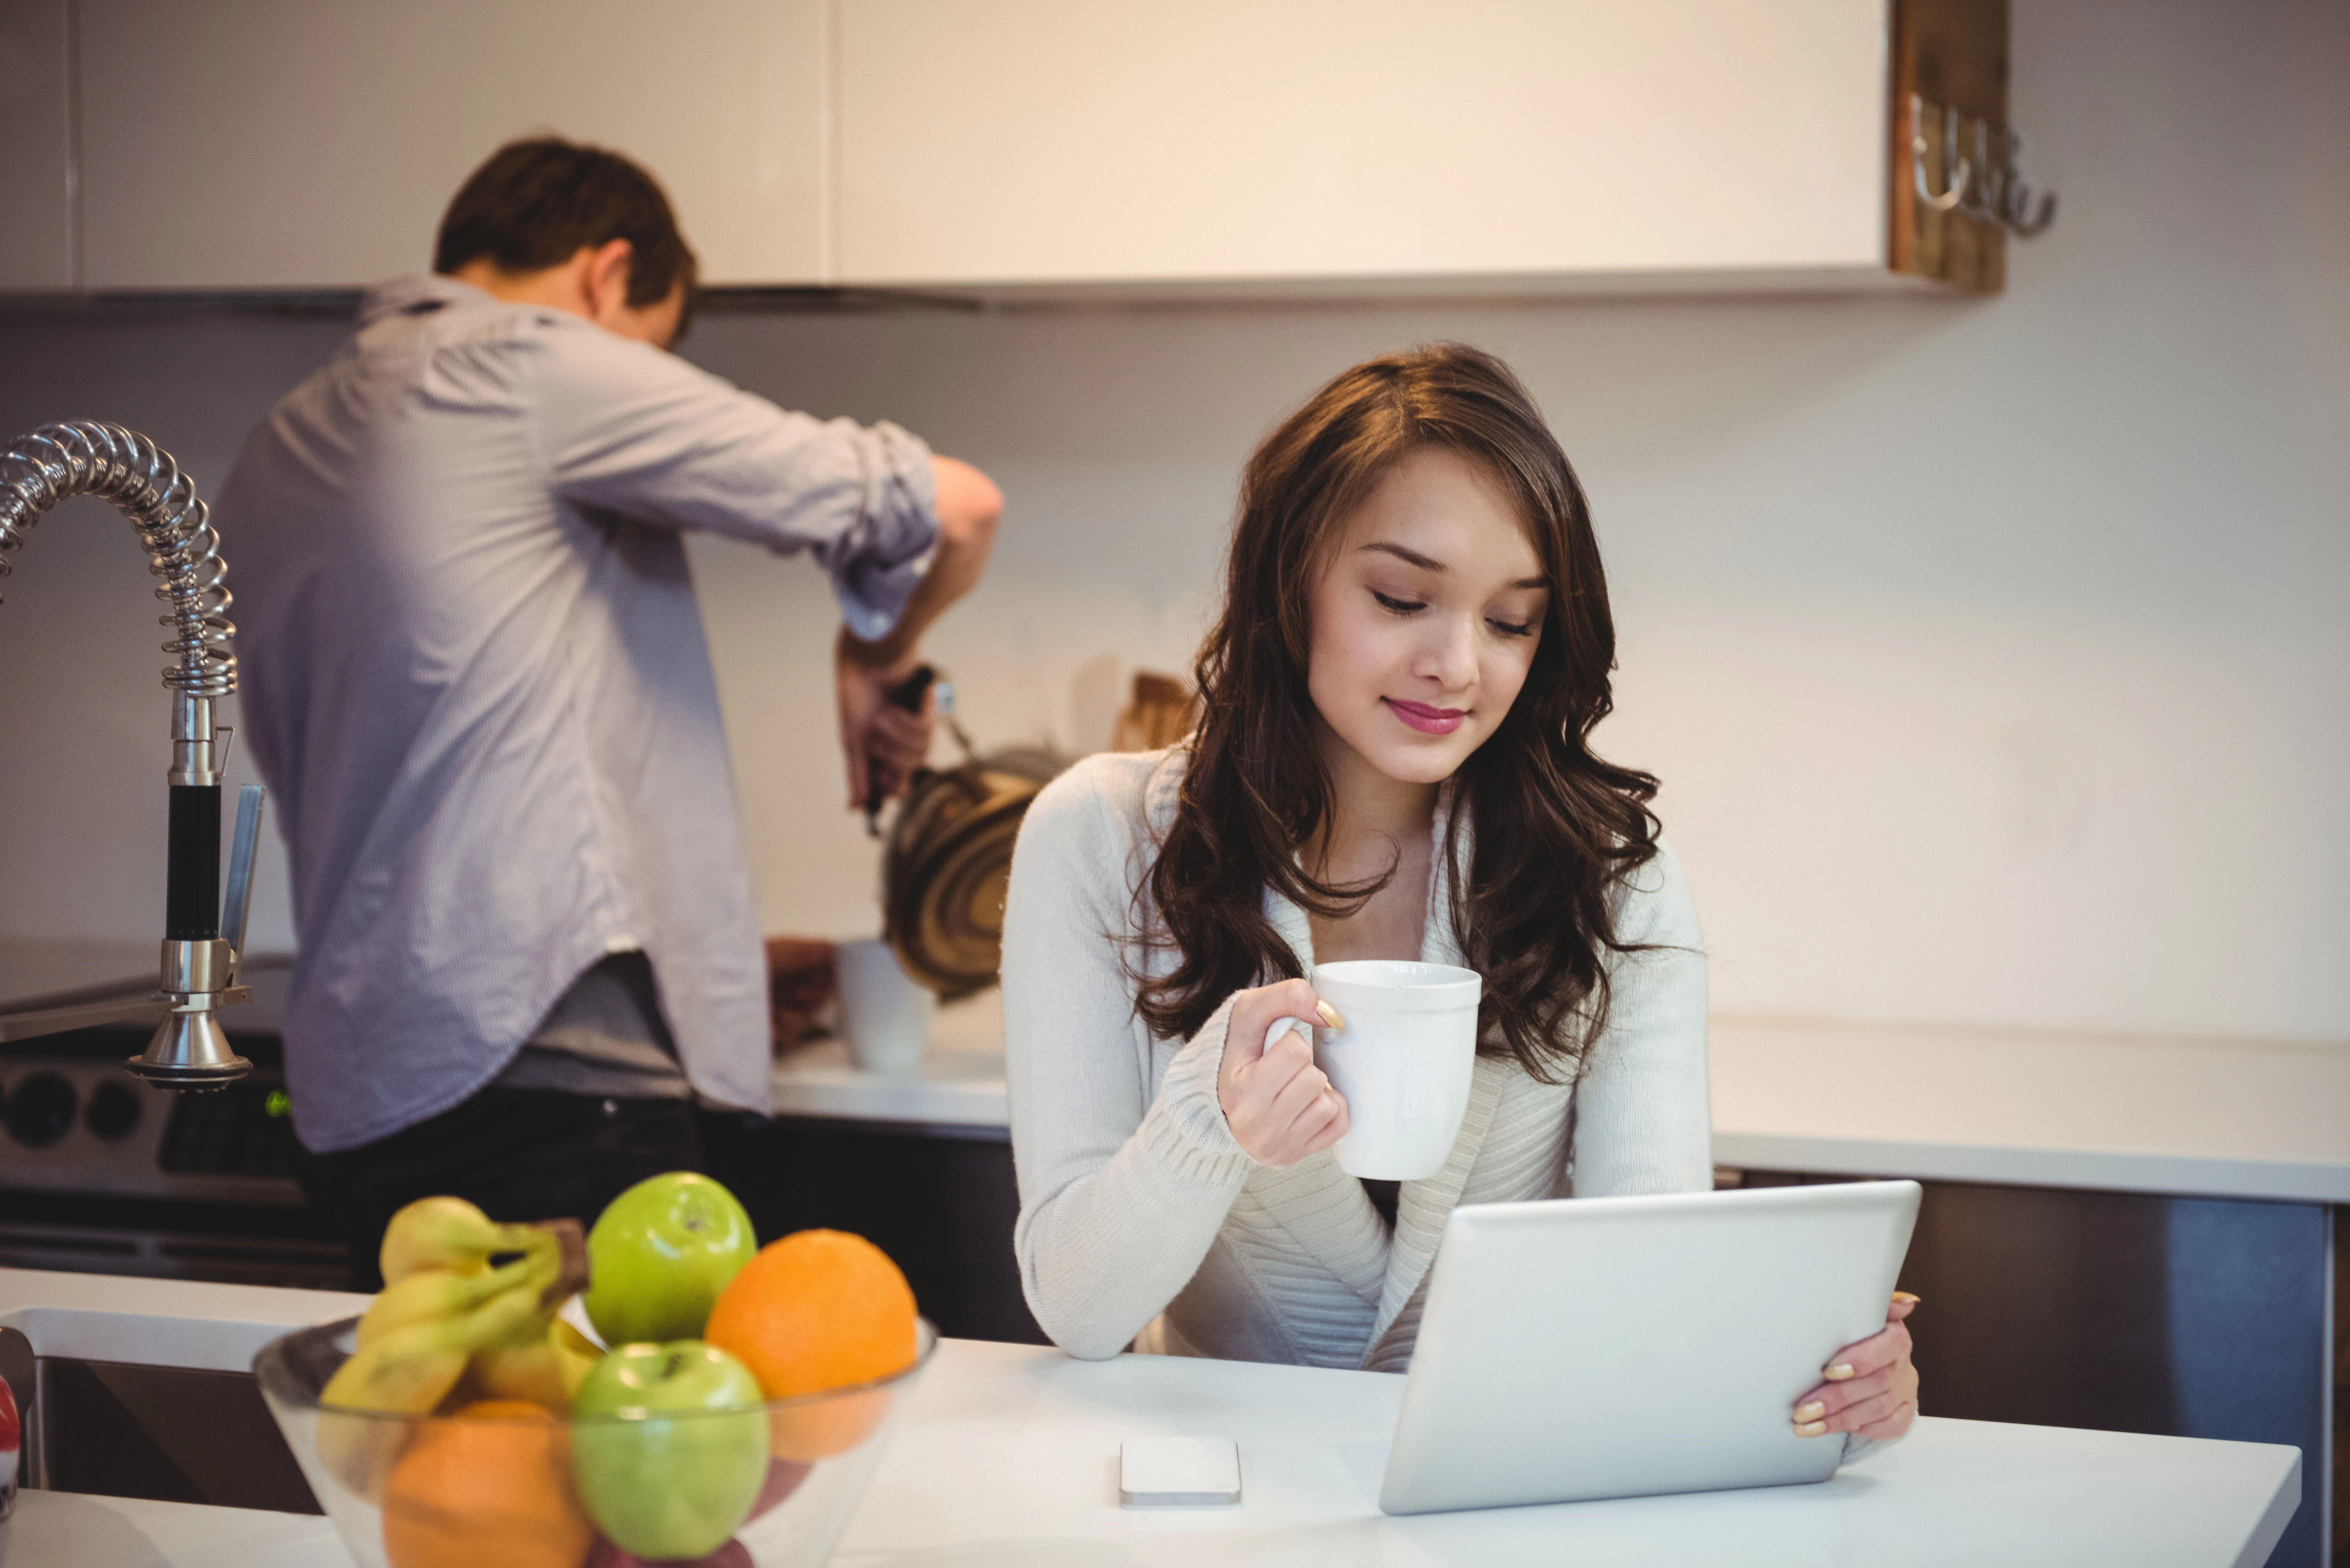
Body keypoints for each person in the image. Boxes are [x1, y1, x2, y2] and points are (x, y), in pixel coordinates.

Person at [1000, 344, 1915, 1450]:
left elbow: (1645, 1282)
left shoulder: (1609, 877)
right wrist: (1209, 1119)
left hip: (1500, 1485)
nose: (1459, 665)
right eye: (1402, 599)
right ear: (1287, 583)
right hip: (1219, 1489)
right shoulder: (1100, 839)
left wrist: (1821, 1375)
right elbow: (1077, 1307)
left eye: (1512, 621)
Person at [223, 138, 1002, 1282]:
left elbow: (439, 789)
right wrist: (875, 646)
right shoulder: (531, 363)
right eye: (656, 351)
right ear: (608, 274)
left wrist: (691, 968)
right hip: (555, 1104)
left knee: (439, 1407)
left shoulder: (280, 445)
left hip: (357, 1112)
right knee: (634, 1407)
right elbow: (955, 508)